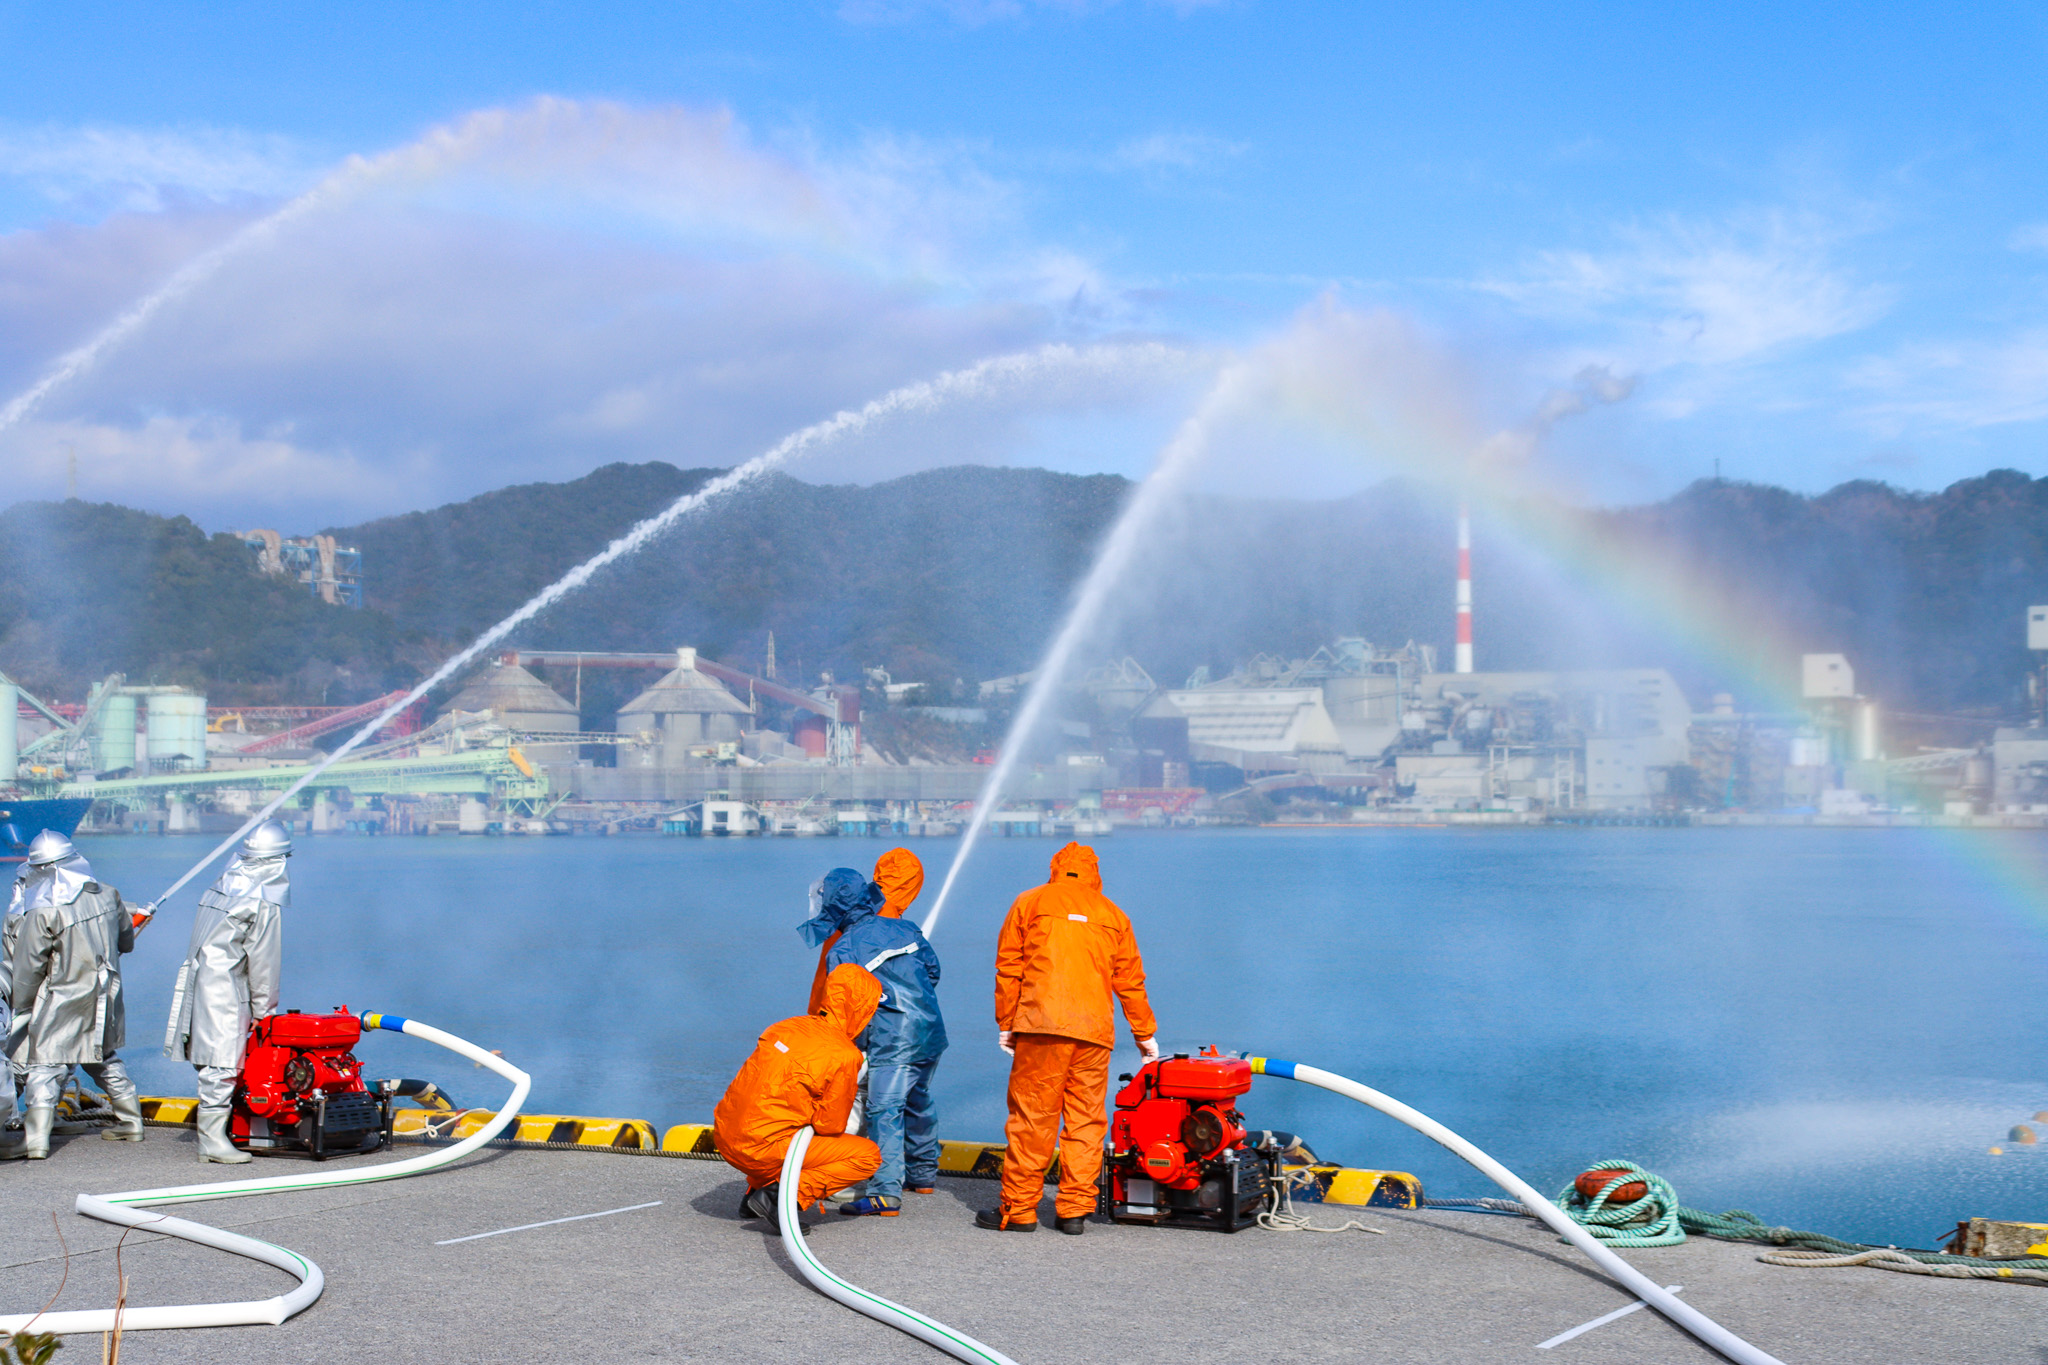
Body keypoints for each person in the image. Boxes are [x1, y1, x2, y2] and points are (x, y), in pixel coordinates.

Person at [981, 842, 1158, 1235]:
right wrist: (1144, 1034)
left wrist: (1006, 1022)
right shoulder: (1114, 914)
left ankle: (1020, 1210)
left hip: (1041, 1025)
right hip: (1095, 1033)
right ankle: (1075, 1211)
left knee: (1032, 1118)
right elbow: (1130, 981)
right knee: (1086, 1121)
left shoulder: (1030, 902)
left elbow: (1009, 967)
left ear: (1056, 868)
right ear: (1095, 872)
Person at [713, 963, 885, 1234]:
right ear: (862, 1008)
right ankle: (780, 1199)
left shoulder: (786, 1027)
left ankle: (754, 1194)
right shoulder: (844, 1054)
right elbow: (830, 1126)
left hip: (725, 1136)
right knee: (867, 1156)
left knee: (775, 1120)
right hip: (760, 1150)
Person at [5, 831, 146, 1159]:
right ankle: (132, 1122)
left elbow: (28, 968)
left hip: (62, 998)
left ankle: (36, 1139)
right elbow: (126, 943)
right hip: (105, 996)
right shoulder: (109, 895)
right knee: (104, 1057)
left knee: (46, 1063)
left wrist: (21, 1006)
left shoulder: (43, 913)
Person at [819, 866, 947, 1216]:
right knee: (918, 1100)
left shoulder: (844, 948)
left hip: (893, 1039)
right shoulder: (905, 928)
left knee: (883, 1111)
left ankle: (884, 1193)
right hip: (930, 1030)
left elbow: (842, 1006)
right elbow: (933, 970)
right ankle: (923, 1175)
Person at [164, 820, 289, 1164]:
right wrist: (266, 1011)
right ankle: (212, 1141)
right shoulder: (262, 901)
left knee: (207, 1056)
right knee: (223, 1061)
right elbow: (264, 962)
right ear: (277, 861)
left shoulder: (218, 889)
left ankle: (216, 1133)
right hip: (226, 986)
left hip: (197, 978)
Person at [805, 847, 923, 1014]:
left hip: (823, 1002)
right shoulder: (888, 917)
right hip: (845, 1014)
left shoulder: (856, 900)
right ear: (912, 886)